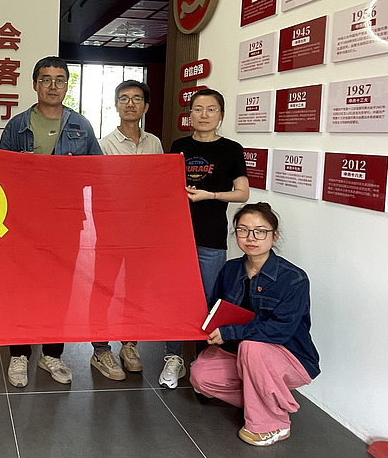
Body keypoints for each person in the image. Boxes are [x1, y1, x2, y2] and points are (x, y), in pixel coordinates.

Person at [0, 55, 102, 387]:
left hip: (65, 220)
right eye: (46, 79)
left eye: (59, 80)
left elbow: (97, 172)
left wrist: (73, 172)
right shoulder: (17, 125)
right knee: (22, 287)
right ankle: (19, 354)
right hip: (24, 221)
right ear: (35, 84)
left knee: (60, 288)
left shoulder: (81, 125)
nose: (53, 86)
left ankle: (52, 354)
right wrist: (21, 168)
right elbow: (0, 174)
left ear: (66, 85)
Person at [190, 202, 320, 447]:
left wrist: (231, 331)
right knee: (201, 377)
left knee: (252, 345)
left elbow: (280, 331)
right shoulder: (230, 269)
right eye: (243, 230)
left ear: (274, 236)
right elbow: (215, 309)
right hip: (240, 353)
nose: (251, 237)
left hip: (290, 356)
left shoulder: (294, 278)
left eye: (260, 231)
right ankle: (263, 398)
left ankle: (273, 424)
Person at [160, 89, 249, 388]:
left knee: (207, 301)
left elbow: (242, 193)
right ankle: (173, 357)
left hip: (211, 237)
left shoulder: (231, 149)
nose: (204, 115)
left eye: (211, 109)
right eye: (198, 109)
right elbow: (166, 186)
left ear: (221, 115)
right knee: (176, 298)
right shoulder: (179, 146)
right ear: (190, 115)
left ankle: (202, 361)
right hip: (177, 236)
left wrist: (210, 195)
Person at [90, 80, 163, 380]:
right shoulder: (103, 145)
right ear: (116, 105)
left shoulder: (154, 143)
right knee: (103, 288)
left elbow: (158, 186)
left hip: (143, 231)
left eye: (136, 99)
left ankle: (129, 344)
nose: (130, 104)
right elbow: (98, 189)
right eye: (124, 99)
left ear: (146, 107)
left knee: (136, 290)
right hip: (111, 230)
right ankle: (100, 349)